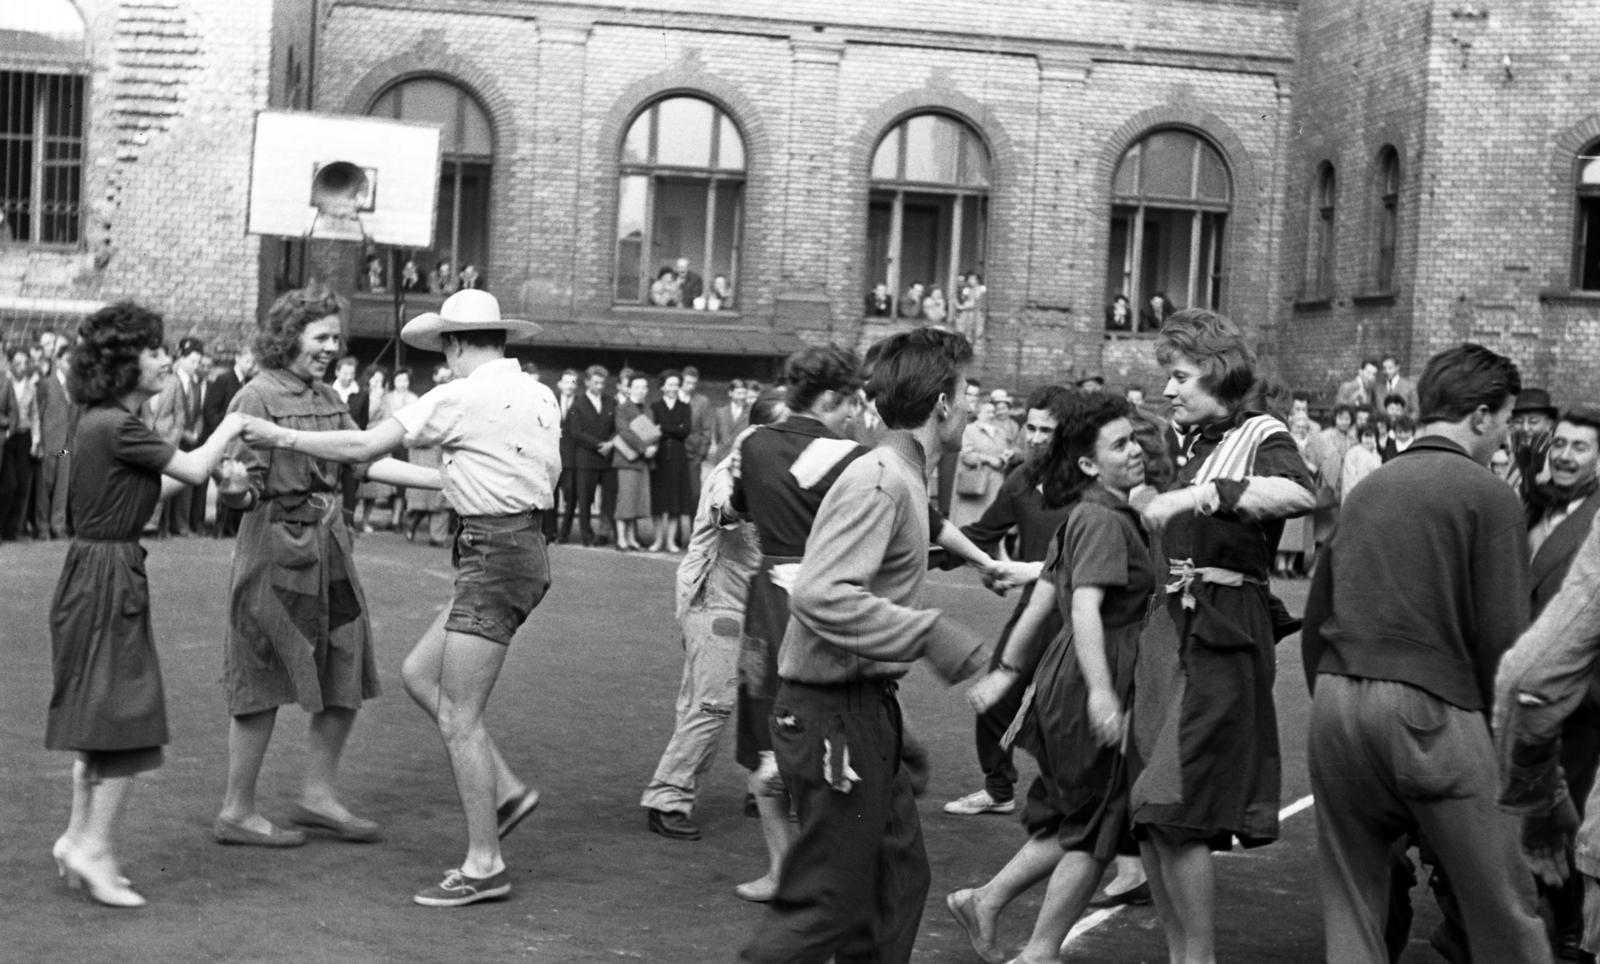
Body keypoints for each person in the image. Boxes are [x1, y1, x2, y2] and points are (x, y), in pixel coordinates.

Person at [240, 288, 559, 907]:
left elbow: (363, 449)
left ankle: (484, 863)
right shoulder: (537, 393)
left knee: (459, 717)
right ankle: (505, 792)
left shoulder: (458, 395)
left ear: (457, 344)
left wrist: (278, 436)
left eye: (446, 348)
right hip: (514, 547)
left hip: (493, 554)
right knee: (419, 674)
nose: (444, 360)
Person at [739, 327, 990, 964]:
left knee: (899, 881)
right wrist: (935, 635)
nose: (972, 405)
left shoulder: (899, 474)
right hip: (832, 720)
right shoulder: (881, 478)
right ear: (940, 402)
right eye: (966, 392)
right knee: (828, 903)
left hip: (856, 709)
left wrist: (889, 730)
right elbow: (821, 595)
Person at [1302, 343, 1549, 963]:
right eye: (1506, 420)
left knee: (1354, 906)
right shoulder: (1488, 493)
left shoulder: (1369, 487)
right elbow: (1506, 647)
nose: (1503, 437)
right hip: (1431, 708)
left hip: (1335, 696)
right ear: (1483, 416)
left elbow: (1315, 618)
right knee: (1505, 906)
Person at [45, 302, 248, 908]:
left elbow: (148, 484)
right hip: (108, 576)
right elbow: (192, 465)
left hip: (95, 571)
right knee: (123, 714)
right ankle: (93, 847)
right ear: (123, 362)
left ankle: (81, 839)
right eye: (154, 351)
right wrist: (232, 429)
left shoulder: (100, 422)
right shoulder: (118, 424)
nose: (165, 359)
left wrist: (208, 466)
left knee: (99, 710)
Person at [213, 285, 429, 852]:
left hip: (331, 546)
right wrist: (233, 488)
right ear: (289, 338)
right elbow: (240, 488)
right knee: (262, 670)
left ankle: (318, 795)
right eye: (321, 337)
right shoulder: (254, 397)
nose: (332, 347)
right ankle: (237, 810)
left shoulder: (331, 397)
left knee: (345, 658)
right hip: (274, 549)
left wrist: (442, 481)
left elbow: (364, 460)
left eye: (337, 337)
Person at [1130, 309, 1315, 964]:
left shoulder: (1262, 433)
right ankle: (1184, 956)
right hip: (1169, 632)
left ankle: (1198, 959)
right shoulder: (1191, 440)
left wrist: (1200, 498)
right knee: (1149, 813)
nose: (1169, 389)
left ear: (1216, 372)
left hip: (1219, 631)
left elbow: (1299, 493)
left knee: (1174, 809)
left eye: (1180, 376)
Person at [950, 393, 1154, 964]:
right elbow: (1082, 608)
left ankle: (988, 903)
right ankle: (1034, 946)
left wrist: (1008, 672)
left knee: (1082, 814)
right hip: (1095, 673)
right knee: (1099, 820)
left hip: (1072, 676)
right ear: (1088, 464)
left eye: (1133, 438)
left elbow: (1041, 598)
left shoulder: (1088, 514)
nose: (1135, 450)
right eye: (1120, 445)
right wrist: (1104, 695)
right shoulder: (1102, 520)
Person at [723, 346, 871, 896]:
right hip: (830, 597)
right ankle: (827, 868)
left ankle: (784, 870)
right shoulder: (855, 456)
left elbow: (736, 507)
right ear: (831, 397)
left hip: (767, 597)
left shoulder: (756, 444)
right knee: (831, 724)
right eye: (849, 402)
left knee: (768, 721)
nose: (853, 413)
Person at [639, 390, 785, 845]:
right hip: (715, 599)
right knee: (711, 701)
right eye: (780, 429)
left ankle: (764, 785)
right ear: (757, 431)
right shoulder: (732, 470)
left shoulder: (778, 470)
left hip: (756, 602)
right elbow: (725, 510)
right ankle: (668, 797)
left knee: (769, 694)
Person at [205, 346, 255, 537]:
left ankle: (233, 527)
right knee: (225, 481)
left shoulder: (248, 383)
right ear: (237, 358)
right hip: (225, 439)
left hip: (241, 443)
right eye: (247, 361)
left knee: (239, 481)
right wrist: (227, 430)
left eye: (252, 362)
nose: (250, 366)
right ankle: (220, 527)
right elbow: (211, 410)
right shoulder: (224, 380)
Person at [565, 365, 618, 546]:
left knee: (610, 497)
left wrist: (610, 443)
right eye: (595, 382)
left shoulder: (611, 401)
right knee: (585, 498)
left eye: (602, 383)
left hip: (608, 458)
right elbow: (576, 431)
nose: (599, 386)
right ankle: (586, 535)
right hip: (586, 457)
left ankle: (605, 533)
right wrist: (598, 445)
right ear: (587, 382)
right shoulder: (578, 403)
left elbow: (617, 426)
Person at [648, 370, 694, 553]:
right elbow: (652, 430)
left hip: (677, 456)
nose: (673, 388)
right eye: (670, 384)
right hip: (658, 456)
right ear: (662, 387)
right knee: (658, 501)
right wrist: (674, 429)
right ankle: (658, 540)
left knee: (675, 501)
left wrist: (664, 428)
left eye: (676, 384)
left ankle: (670, 542)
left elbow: (685, 430)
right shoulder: (655, 407)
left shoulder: (685, 407)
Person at [33, 339, 75, 540]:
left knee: (62, 487)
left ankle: (58, 526)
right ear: (58, 360)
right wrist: (39, 441)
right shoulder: (46, 384)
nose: (71, 365)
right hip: (49, 443)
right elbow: (38, 414)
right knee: (44, 486)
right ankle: (42, 527)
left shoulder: (75, 387)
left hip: (66, 445)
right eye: (68, 360)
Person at [611, 372, 655, 551]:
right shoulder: (623, 408)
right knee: (626, 500)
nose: (641, 390)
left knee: (636, 501)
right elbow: (624, 432)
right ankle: (621, 538)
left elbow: (651, 433)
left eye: (644, 387)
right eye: (637, 387)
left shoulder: (648, 409)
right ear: (629, 389)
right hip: (627, 459)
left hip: (642, 461)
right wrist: (645, 448)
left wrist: (653, 447)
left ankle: (631, 537)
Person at [951, 399, 1011, 528]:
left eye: (993, 412)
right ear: (978, 413)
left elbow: (1005, 453)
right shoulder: (969, 430)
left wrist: (1003, 460)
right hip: (976, 483)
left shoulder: (1000, 432)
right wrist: (988, 459)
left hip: (995, 484)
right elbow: (966, 455)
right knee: (971, 523)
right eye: (988, 412)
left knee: (992, 522)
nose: (992, 415)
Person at [543, 368, 579, 543]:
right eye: (566, 382)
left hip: (571, 458)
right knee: (551, 496)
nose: (569, 386)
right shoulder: (550, 401)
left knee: (571, 496)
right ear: (559, 384)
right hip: (552, 456)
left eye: (573, 382)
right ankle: (550, 531)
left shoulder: (580, 404)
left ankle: (564, 533)